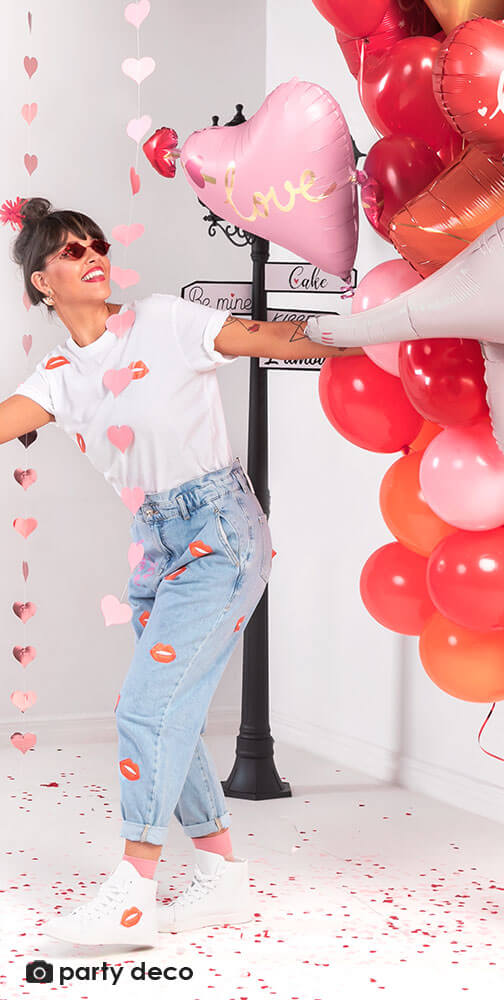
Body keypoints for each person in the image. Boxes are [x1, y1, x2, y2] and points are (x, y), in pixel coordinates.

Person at [1, 196, 363, 947]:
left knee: (144, 708)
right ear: (40, 283)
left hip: (221, 532)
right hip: (155, 545)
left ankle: (134, 884)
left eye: (94, 241)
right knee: (172, 710)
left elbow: (266, 335)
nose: (92, 254)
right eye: (71, 251)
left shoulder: (165, 320)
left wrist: (368, 338)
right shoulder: (61, 373)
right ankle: (221, 871)